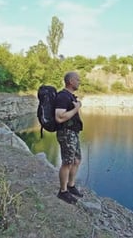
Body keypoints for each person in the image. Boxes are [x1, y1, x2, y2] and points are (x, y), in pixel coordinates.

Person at [54, 71, 84, 204]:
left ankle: (71, 186)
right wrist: (76, 108)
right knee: (67, 162)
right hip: (66, 133)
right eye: (78, 79)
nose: (79, 82)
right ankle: (63, 191)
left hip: (73, 133)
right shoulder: (62, 96)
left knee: (76, 160)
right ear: (71, 81)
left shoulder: (70, 96)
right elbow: (59, 117)